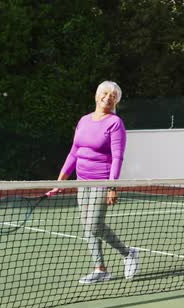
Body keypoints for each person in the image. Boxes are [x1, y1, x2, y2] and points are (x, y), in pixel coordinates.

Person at [53, 80, 140, 284]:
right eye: (105, 93)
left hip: (102, 180)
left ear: (116, 101)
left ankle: (128, 254)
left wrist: (112, 186)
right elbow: (74, 152)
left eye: (113, 95)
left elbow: (117, 157)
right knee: (86, 225)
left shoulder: (115, 123)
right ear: (96, 95)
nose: (108, 97)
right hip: (81, 181)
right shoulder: (84, 120)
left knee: (94, 223)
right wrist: (61, 181)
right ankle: (100, 269)